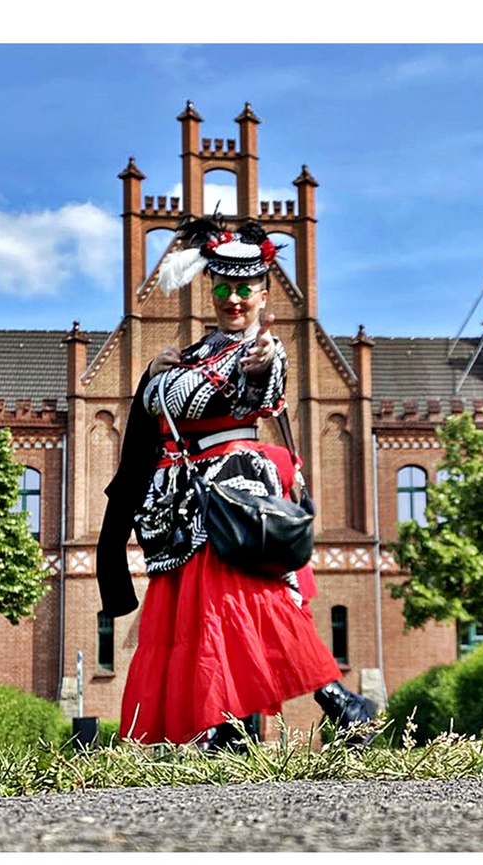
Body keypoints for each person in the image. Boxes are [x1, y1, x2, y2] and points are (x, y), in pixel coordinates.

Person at [96, 218, 377, 750]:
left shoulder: (261, 350)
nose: (234, 298)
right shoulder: (195, 351)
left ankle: (341, 702)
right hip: (182, 507)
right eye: (222, 287)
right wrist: (152, 377)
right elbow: (163, 408)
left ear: (263, 292)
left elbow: (252, 391)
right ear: (211, 289)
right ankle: (224, 725)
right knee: (196, 612)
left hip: (229, 495)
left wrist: (253, 364)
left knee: (246, 603)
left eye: (245, 289)